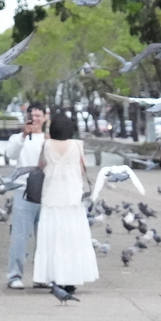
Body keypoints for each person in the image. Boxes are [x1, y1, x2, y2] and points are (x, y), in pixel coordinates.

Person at [32, 113, 97, 294]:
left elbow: (40, 166)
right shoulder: (77, 145)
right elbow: (82, 169)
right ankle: (71, 279)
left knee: (53, 240)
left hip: (52, 197)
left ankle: (55, 278)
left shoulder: (46, 145)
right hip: (73, 198)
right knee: (72, 239)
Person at [0, 104, 48, 288]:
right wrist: (23, 135)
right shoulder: (17, 138)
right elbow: (10, 154)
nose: (34, 119)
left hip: (45, 191)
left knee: (44, 237)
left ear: (44, 117)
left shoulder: (48, 139)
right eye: (31, 115)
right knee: (20, 235)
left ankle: (42, 276)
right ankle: (14, 275)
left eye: (38, 115)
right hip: (23, 189)